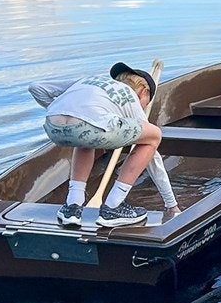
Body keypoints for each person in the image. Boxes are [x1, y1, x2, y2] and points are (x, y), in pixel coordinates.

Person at [29, 62, 179, 229]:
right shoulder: (129, 95)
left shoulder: (90, 81)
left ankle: (72, 207)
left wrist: (58, 109)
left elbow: (36, 88)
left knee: (85, 142)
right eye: (146, 103)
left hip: (53, 127)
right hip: (90, 128)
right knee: (153, 136)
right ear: (143, 92)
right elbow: (152, 157)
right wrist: (171, 204)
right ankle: (114, 207)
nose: (143, 107)